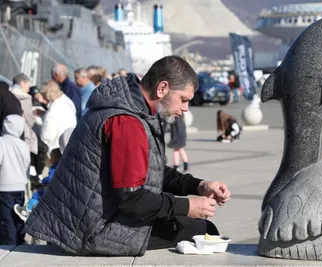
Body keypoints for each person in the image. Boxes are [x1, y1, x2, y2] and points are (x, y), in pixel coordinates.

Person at [26, 55, 231, 256]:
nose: (185, 108)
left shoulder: (130, 108)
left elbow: (151, 171)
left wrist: (198, 186)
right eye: (183, 100)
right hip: (92, 230)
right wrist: (186, 206)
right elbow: (131, 198)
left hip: (85, 220)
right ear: (162, 88)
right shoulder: (126, 123)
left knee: (195, 227)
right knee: (205, 231)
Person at [0, 115, 30, 245]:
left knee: (6, 219)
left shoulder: (2, 142)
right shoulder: (23, 144)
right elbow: (26, 165)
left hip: (4, 186)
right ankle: (20, 240)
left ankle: (9, 244)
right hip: (20, 185)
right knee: (18, 216)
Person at [13, 148, 61, 222]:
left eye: (51, 157)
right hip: (56, 190)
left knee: (37, 195)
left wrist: (43, 181)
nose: (48, 160)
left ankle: (28, 210)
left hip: (53, 190)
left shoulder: (55, 167)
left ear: (55, 158)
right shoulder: (60, 166)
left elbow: (51, 179)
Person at [40, 80, 77, 154]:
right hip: (68, 145)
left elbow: (47, 136)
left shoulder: (53, 110)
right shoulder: (67, 102)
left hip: (54, 150)